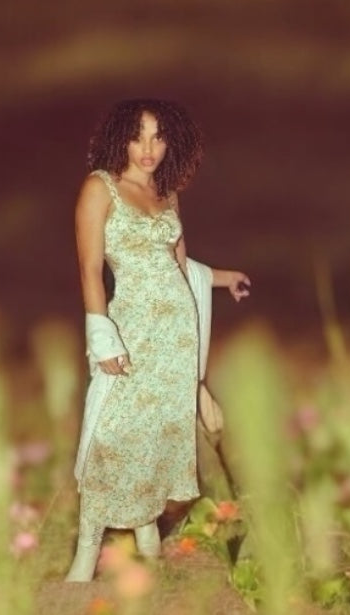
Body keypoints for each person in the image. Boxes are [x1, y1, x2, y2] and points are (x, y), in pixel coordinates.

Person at [65, 99, 251, 582]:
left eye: (159, 137)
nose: (148, 149)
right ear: (120, 138)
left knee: (157, 440)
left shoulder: (167, 193)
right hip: (130, 333)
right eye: (138, 136)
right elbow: (89, 269)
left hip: (176, 339)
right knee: (113, 435)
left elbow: (177, 266)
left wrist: (223, 277)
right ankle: (87, 552)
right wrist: (101, 336)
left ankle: (147, 538)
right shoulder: (99, 188)